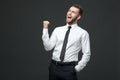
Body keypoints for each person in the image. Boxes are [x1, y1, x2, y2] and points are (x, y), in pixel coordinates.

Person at [42, 4, 91, 80]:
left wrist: (77, 68)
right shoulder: (57, 30)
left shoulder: (83, 33)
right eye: (69, 11)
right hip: (54, 67)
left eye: (73, 12)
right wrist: (45, 28)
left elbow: (87, 53)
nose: (69, 13)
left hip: (69, 69)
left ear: (78, 17)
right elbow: (48, 47)